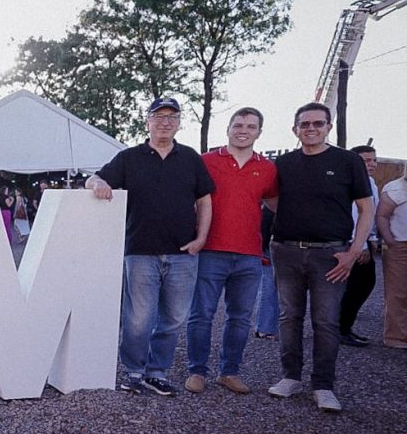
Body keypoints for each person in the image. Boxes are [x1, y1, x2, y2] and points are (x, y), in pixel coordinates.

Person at [87, 96, 214, 397]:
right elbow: (93, 178)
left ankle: (157, 372)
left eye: (172, 117)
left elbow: (205, 199)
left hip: (183, 253)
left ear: (179, 123)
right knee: (138, 318)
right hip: (140, 251)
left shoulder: (190, 158)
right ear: (147, 122)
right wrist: (98, 184)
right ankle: (133, 372)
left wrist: (201, 239)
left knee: (174, 317)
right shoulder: (129, 158)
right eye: (159, 116)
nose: (165, 122)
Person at [268, 102, 373, 412]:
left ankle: (323, 385)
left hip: (331, 254)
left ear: (328, 126)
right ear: (295, 129)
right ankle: (290, 377)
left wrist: (354, 251)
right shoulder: (283, 164)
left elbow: (367, 209)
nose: (311, 129)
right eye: (305, 124)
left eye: (317, 123)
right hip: (286, 250)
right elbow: (273, 201)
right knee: (289, 318)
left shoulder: (348, 161)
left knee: (326, 321)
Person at [184, 108, 277, 395]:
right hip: (211, 249)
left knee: (240, 318)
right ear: (228, 128)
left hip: (249, 254)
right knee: (202, 314)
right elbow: (189, 200)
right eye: (238, 125)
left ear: (259, 132)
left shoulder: (269, 168)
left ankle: (229, 371)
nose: (243, 130)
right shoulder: (206, 162)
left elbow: (276, 204)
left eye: (251, 126)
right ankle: (197, 371)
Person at [338, 145, 380, 346]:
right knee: (357, 286)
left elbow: (372, 215)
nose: (371, 164)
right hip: (352, 243)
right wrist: (359, 245)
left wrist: (372, 239)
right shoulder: (349, 183)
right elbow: (355, 216)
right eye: (366, 160)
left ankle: (345, 327)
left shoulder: (371, 183)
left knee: (363, 285)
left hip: (365, 241)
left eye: (373, 160)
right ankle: (340, 329)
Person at [376, 165, 407, 349]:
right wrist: (390, 241)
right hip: (401, 245)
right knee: (398, 292)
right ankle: (396, 337)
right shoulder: (396, 189)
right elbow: (382, 216)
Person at [253, 206, 279, 340]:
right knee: (269, 284)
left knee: (269, 284)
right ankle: (265, 327)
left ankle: (267, 327)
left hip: (268, 240)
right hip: (271, 241)